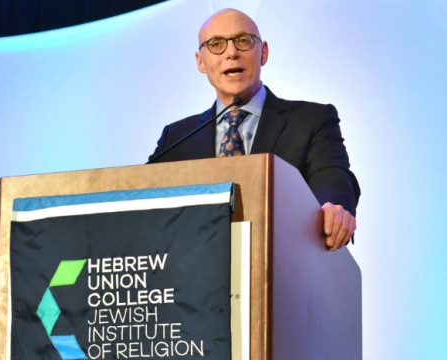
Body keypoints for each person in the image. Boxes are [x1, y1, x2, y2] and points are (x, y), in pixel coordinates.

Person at [149, 8, 360, 251]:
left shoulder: (311, 120)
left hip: (281, 264)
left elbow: (332, 177)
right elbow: (141, 203)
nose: (232, 53)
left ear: (263, 53)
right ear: (200, 62)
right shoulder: (176, 138)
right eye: (216, 44)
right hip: (194, 274)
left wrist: (333, 206)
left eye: (243, 41)